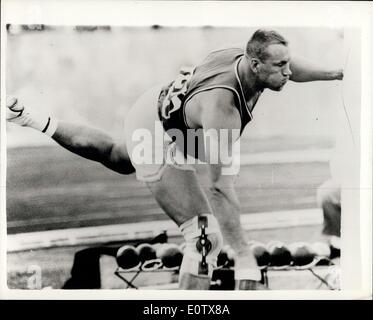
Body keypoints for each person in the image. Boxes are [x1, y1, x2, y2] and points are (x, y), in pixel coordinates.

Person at [6, 29, 343, 290]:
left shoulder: (246, 57)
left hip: (158, 105)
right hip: (159, 133)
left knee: (118, 156)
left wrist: (338, 73)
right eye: (280, 66)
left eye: (288, 63)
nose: (288, 72)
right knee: (205, 237)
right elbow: (218, 188)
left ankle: (32, 119)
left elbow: (288, 64)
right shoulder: (222, 108)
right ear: (255, 65)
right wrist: (243, 256)